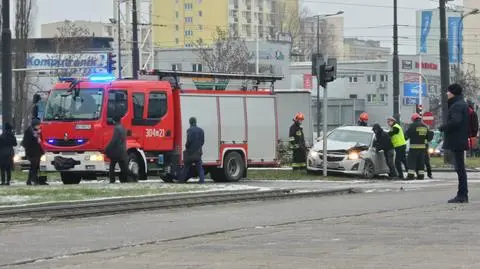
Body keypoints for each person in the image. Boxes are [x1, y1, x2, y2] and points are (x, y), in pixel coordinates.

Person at [439, 83, 469, 203]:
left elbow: (455, 122)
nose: (447, 93)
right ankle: (462, 194)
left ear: (453, 93)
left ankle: (462, 195)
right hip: (460, 139)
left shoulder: (457, 106)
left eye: (448, 91)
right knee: (460, 168)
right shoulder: (462, 104)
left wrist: (443, 127)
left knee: (460, 169)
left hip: (456, 140)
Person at [105, 115, 129, 183]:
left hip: (116, 151)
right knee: (124, 168)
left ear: (114, 121)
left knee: (112, 166)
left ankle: (112, 180)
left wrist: (107, 148)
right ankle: (129, 178)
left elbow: (114, 140)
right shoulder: (123, 128)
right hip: (122, 151)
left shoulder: (117, 128)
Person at [181, 117, 205, 183]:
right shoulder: (201, 130)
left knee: (186, 167)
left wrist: (186, 147)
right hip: (198, 152)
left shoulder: (189, 130)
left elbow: (189, 141)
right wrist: (199, 147)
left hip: (190, 153)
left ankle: (182, 180)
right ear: (195, 122)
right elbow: (202, 141)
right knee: (199, 167)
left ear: (190, 122)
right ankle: (202, 181)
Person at [405, 113, 429, 180]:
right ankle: (421, 176)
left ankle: (410, 176)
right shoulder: (425, 126)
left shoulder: (412, 125)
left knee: (411, 161)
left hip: (414, 147)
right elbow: (428, 136)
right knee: (420, 162)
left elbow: (407, 135)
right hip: (422, 148)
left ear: (413, 119)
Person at [22, 119, 45, 185]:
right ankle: (34, 180)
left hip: (37, 152)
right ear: (34, 125)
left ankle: (30, 180)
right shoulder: (29, 131)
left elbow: (40, 140)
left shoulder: (37, 131)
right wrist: (35, 137)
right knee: (34, 166)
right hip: (32, 152)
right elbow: (26, 142)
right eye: (38, 125)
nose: (39, 126)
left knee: (35, 166)